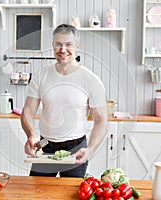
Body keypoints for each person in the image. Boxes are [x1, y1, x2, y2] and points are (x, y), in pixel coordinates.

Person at [21, 24, 108, 177]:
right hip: (45, 146)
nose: (63, 49)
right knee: (37, 193)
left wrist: (90, 149)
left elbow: (101, 120)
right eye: (58, 44)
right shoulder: (41, 76)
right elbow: (28, 111)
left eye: (68, 44)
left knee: (70, 194)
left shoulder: (91, 79)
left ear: (77, 47)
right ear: (53, 45)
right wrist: (31, 134)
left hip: (76, 148)